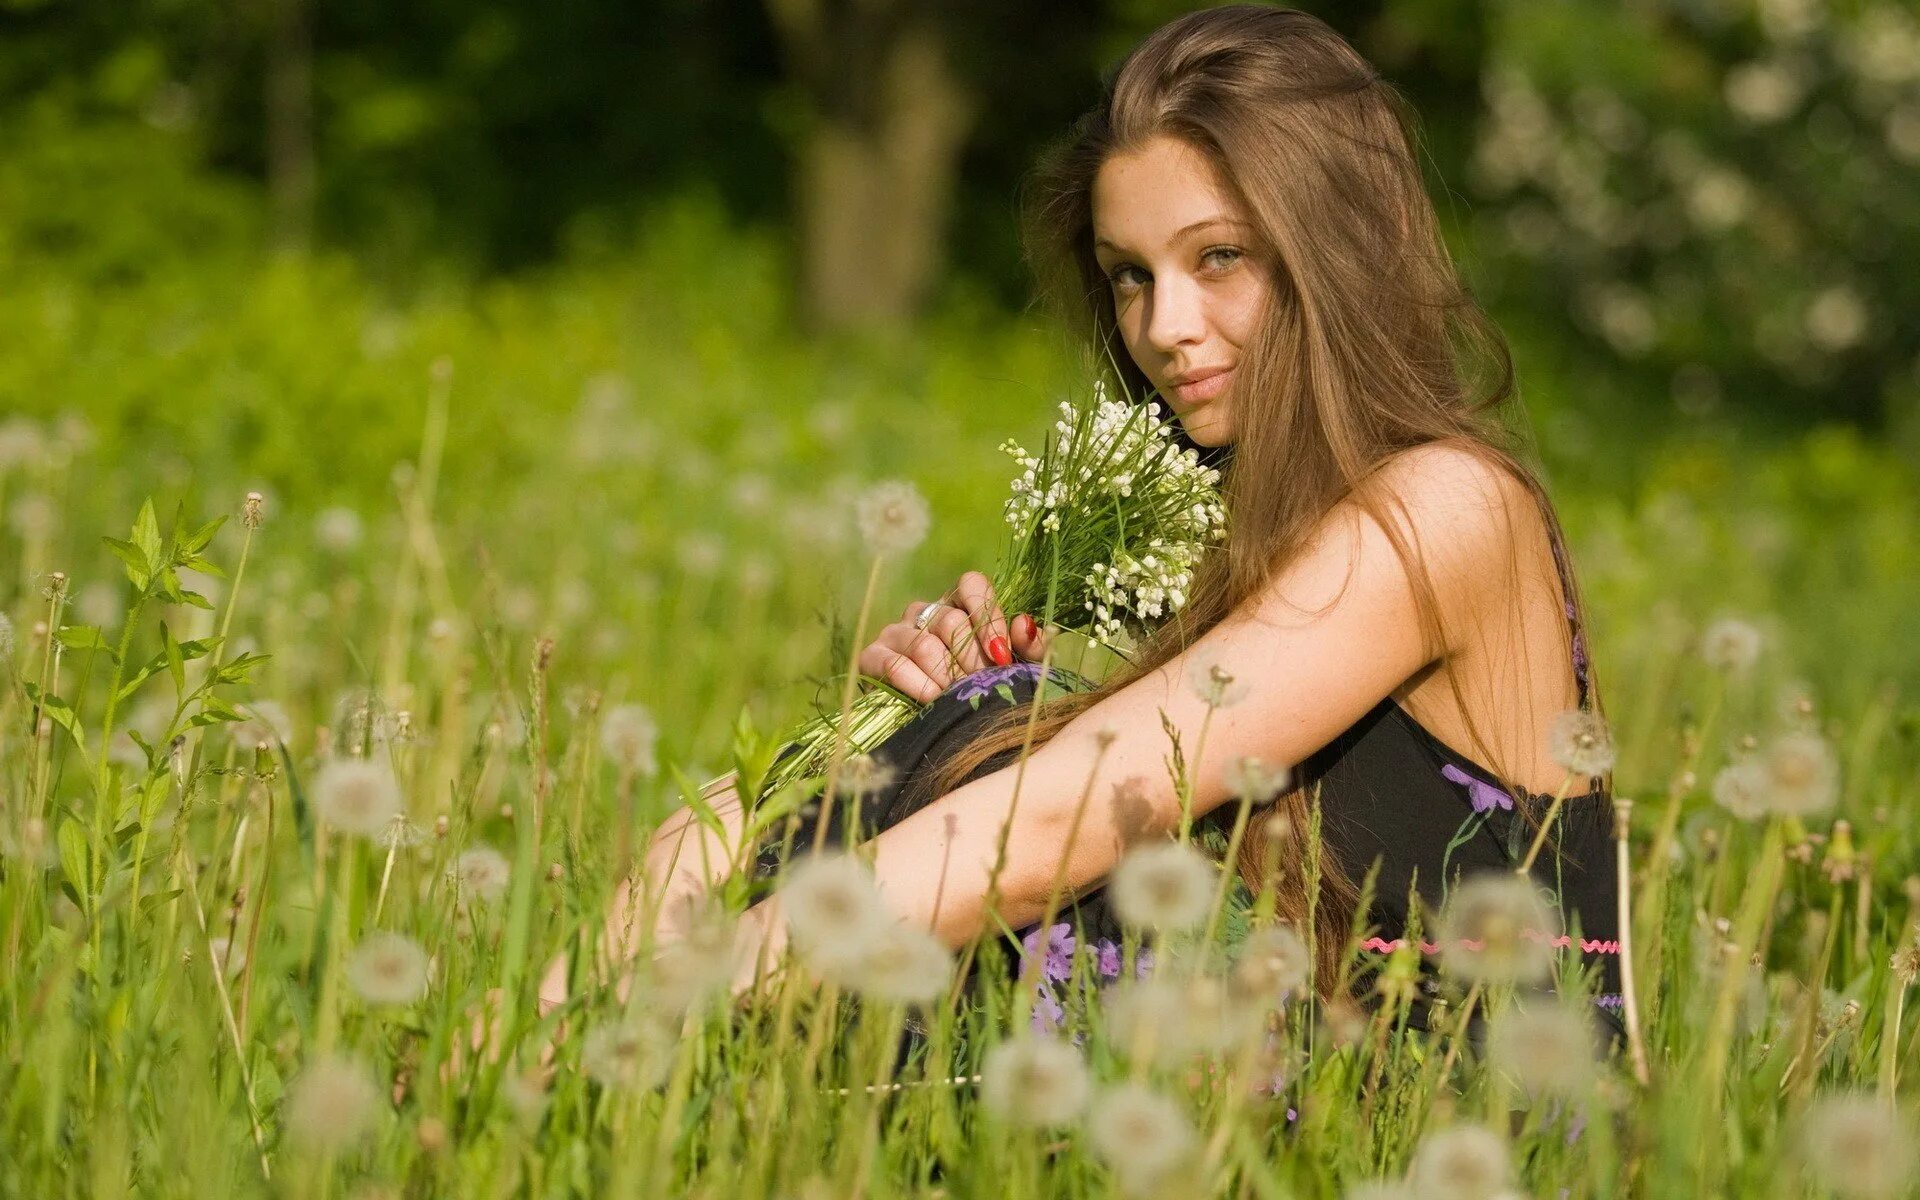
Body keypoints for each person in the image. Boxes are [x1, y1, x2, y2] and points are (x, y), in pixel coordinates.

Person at [541, 4, 1623, 1047]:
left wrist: (681, 987)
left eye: (1220, 258)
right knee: (902, 752)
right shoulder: (1246, 534)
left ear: (1351, 246)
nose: (1166, 328)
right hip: (1284, 1103)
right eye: (1128, 277)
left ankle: (565, 1046)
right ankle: (518, 1052)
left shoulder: (1447, 508)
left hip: (1467, 1135)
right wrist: (909, 726)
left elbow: (1069, 823)